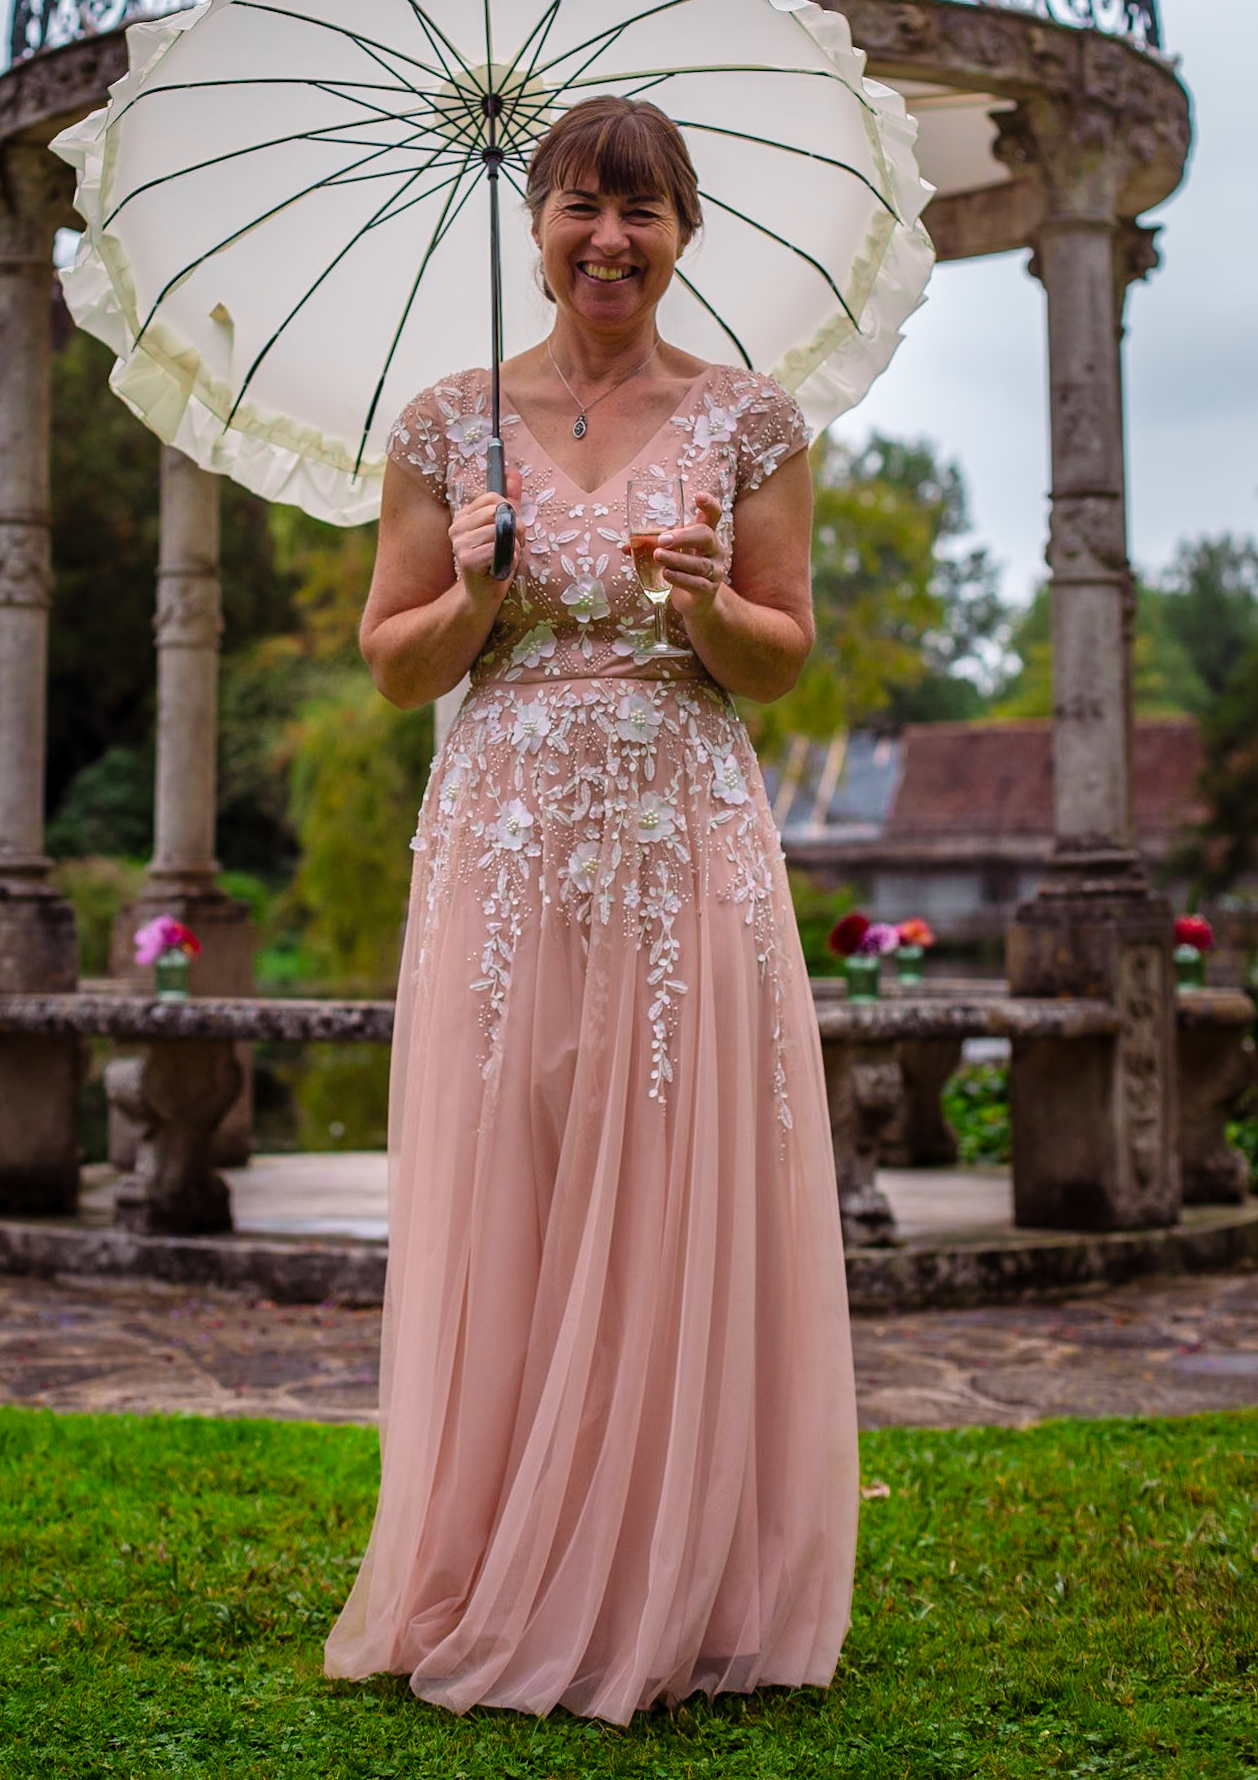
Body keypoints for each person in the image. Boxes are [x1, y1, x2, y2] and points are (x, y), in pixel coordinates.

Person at [323, 94, 858, 1723]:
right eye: (578, 207)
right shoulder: (442, 423)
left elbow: (779, 661)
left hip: (681, 825)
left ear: (682, 231)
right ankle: (491, 1562)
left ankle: (671, 1577)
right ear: (535, 224)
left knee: (674, 1166)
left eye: (639, 211)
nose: (606, 240)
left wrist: (707, 604)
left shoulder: (750, 421)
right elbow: (390, 661)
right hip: (494, 839)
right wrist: (474, 590)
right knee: (517, 1166)